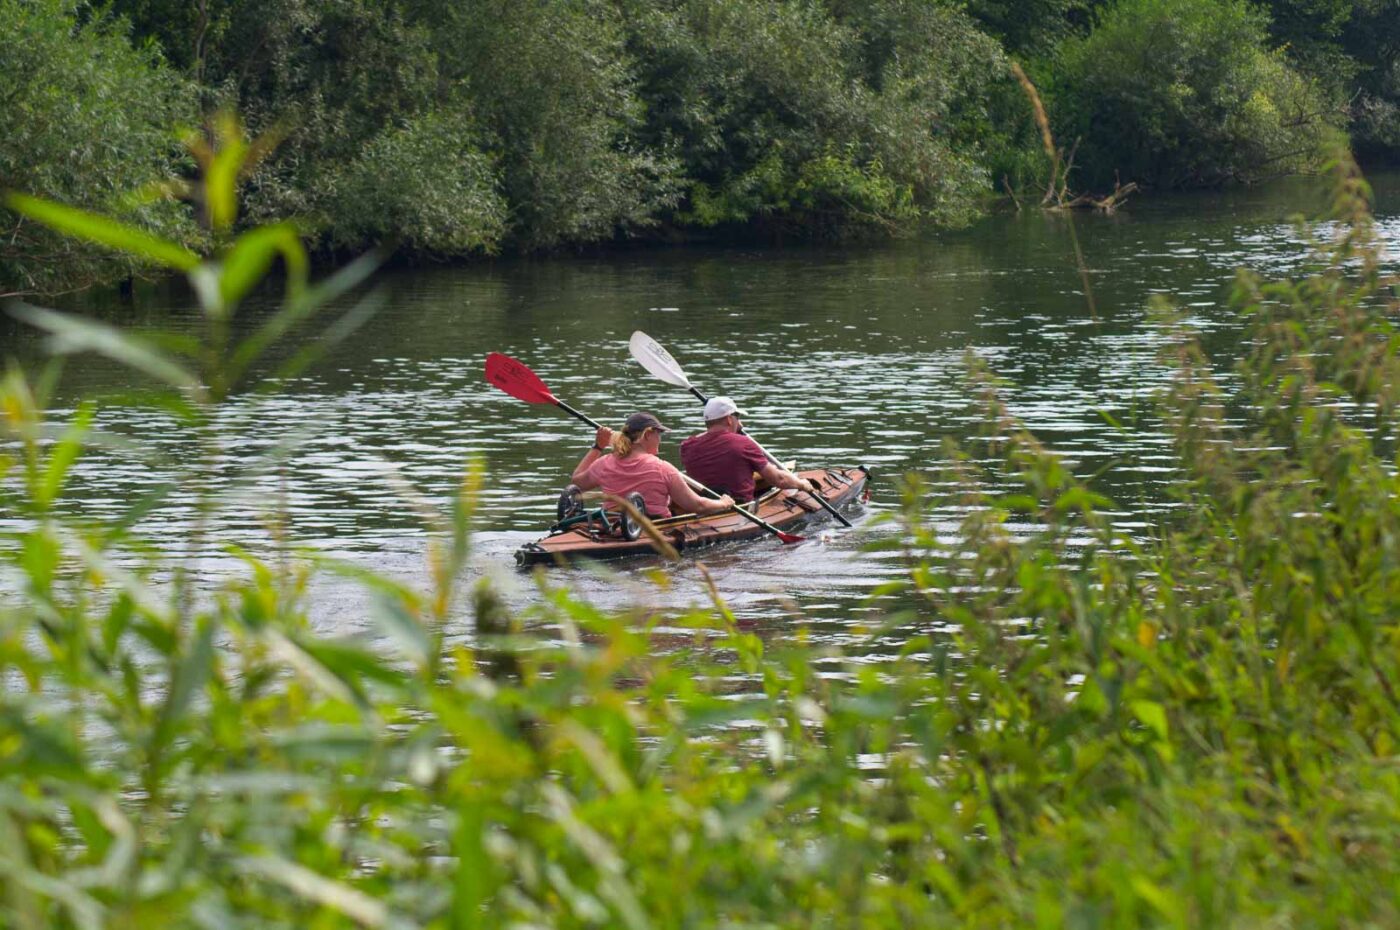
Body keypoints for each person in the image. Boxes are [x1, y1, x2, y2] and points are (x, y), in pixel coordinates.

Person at [572, 411, 735, 519]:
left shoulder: (604, 462)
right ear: (648, 434)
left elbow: (578, 482)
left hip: (613, 526)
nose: (660, 440)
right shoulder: (663, 468)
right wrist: (724, 503)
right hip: (655, 529)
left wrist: (598, 447)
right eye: (659, 434)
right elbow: (697, 505)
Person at [679, 396, 821, 503]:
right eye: (738, 416)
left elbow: (714, 447)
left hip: (705, 505)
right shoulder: (743, 443)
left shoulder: (687, 446)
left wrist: (732, 431)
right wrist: (802, 484)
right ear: (729, 419)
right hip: (739, 507)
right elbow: (779, 479)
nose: (741, 422)